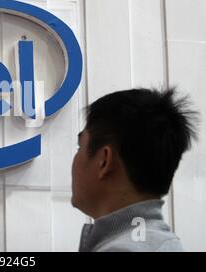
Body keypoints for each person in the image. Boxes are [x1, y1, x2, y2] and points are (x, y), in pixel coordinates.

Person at [72, 88, 199, 252]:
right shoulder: (160, 242)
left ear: (104, 160)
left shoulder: (124, 249)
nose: (74, 159)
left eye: (79, 146)